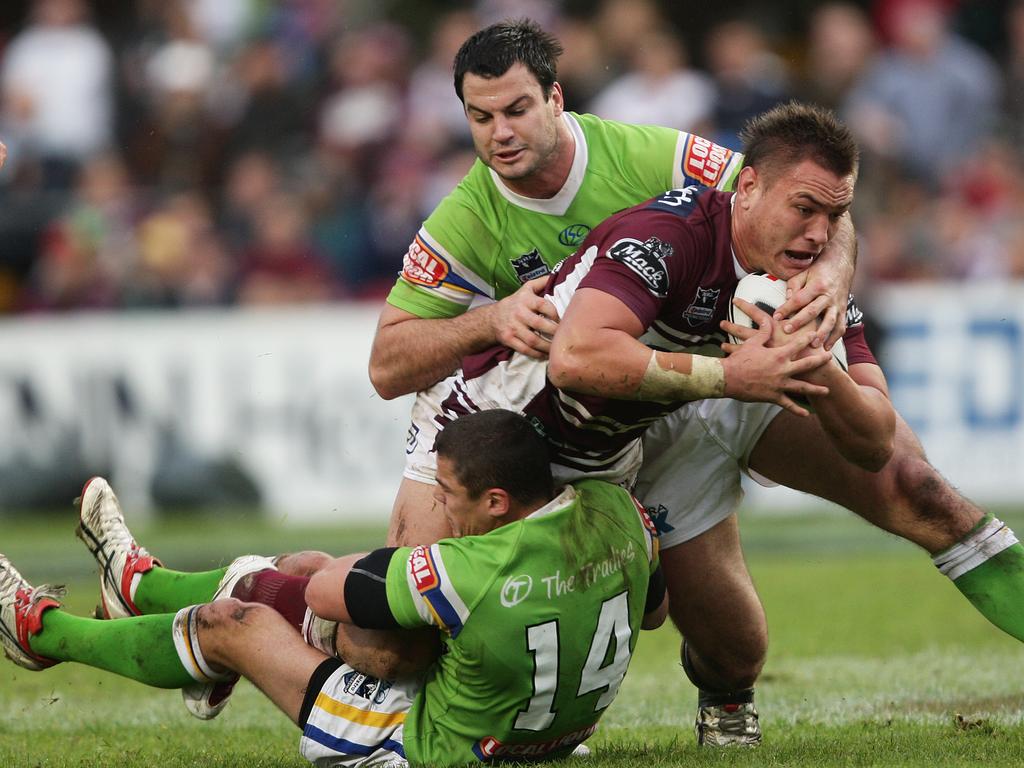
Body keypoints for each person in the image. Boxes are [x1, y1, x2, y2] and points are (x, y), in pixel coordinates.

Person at [367, 21, 856, 744]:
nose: (499, 132)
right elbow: (385, 366)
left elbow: (800, 189)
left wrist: (836, 273)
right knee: (393, 637)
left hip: (651, 410)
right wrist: (490, 318)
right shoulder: (467, 217)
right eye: (480, 117)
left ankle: (721, 695)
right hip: (506, 413)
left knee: (733, 642)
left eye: (517, 109)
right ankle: (268, 613)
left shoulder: (649, 154)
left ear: (556, 98)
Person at [0, 409, 667, 767]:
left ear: (497, 500)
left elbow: (322, 593)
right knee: (317, 571)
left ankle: (41, 631)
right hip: (544, 734)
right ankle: (138, 585)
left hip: (423, 748)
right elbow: (657, 609)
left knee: (238, 621)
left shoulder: (468, 571)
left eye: (448, 494)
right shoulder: (618, 513)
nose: (441, 508)